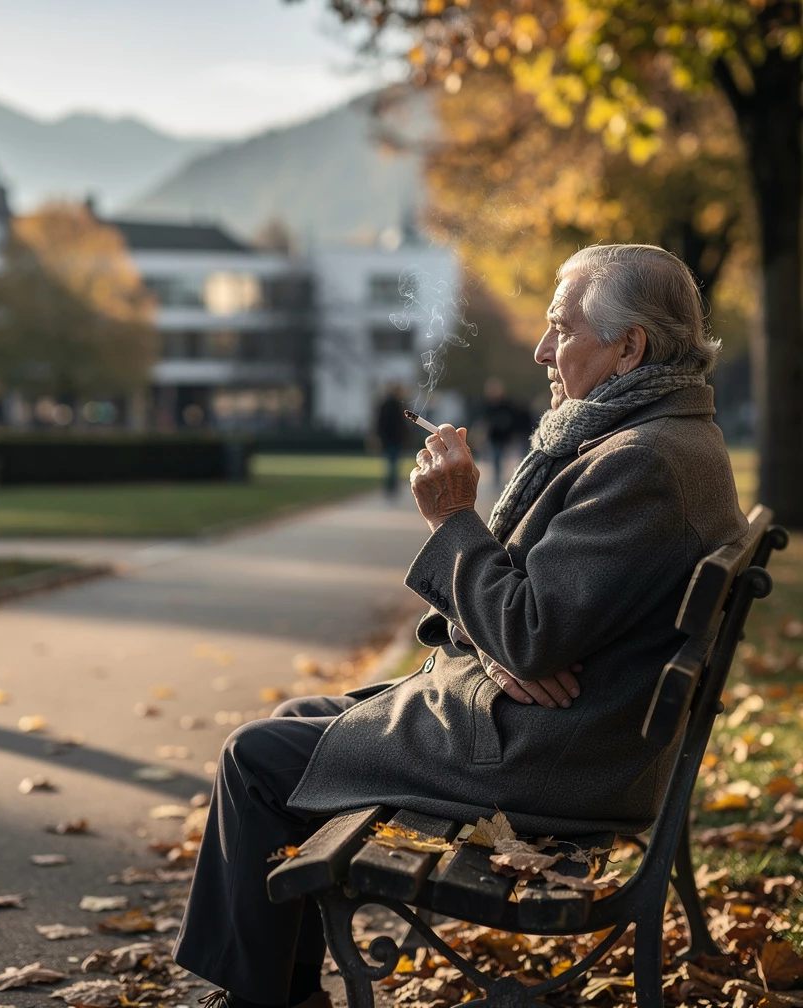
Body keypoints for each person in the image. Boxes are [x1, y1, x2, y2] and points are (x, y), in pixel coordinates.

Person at [172, 244, 747, 1008]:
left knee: (254, 758)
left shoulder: (640, 461)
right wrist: (503, 648)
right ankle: (284, 992)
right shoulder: (657, 436)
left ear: (628, 347)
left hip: (544, 758)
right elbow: (535, 628)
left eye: (561, 328)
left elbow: (533, 633)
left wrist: (452, 521)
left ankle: (265, 1001)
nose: (542, 350)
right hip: (559, 729)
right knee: (288, 726)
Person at [478, 375, 532, 487]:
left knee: (515, 459)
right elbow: (484, 422)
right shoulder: (488, 406)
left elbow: (513, 420)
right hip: (494, 437)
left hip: (507, 437)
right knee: (496, 460)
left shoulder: (507, 404)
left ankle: (518, 480)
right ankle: (497, 482)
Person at [375, 385, 407, 497]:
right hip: (394, 438)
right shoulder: (396, 404)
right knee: (393, 463)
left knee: (391, 463)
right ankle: (392, 485)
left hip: (389, 438)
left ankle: (390, 485)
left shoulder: (386, 404)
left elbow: (379, 422)